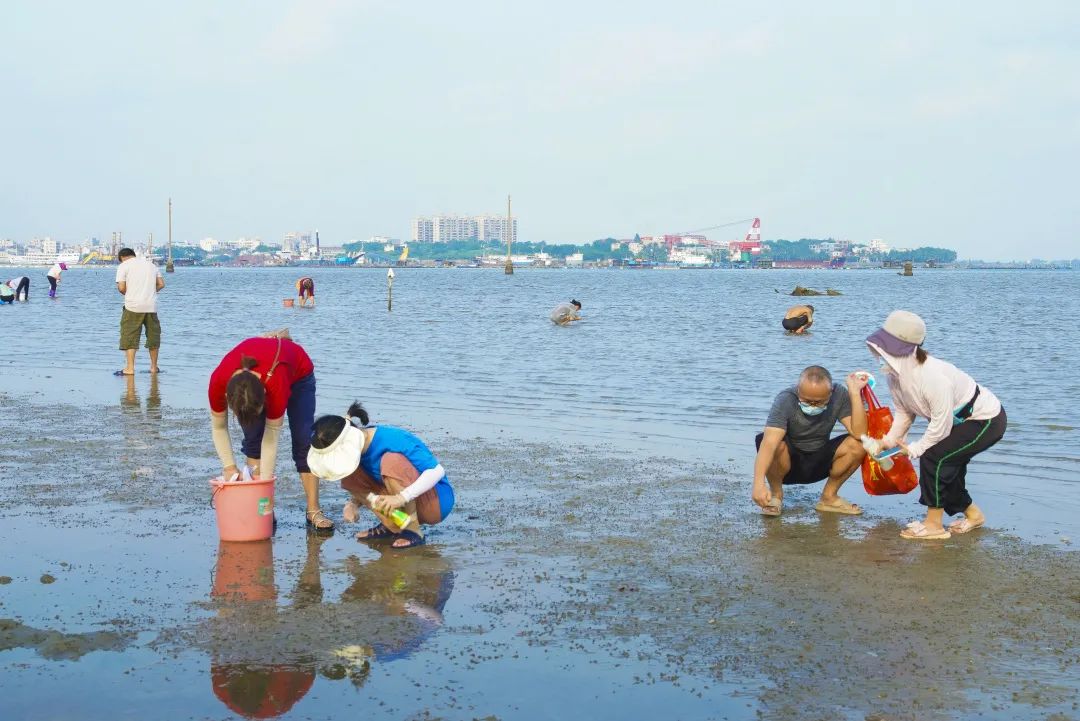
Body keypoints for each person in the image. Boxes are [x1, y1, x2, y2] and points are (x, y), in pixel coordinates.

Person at [867, 310, 1006, 540]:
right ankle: (974, 515)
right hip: (956, 421)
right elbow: (904, 412)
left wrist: (914, 449)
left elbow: (941, 425)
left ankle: (934, 525)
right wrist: (888, 441)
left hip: (985, 420)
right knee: (948, 468)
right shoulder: (893, 375)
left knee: (935, 458)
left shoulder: (931, 377)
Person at [208, 330, 332, 531]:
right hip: (265, 365)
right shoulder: (218, 382)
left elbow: (271, 439)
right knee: (253, 441)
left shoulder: (275, 385)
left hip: (298, 373)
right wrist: (229, 466)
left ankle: (313, 510)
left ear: (265, 397)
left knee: (302, 443)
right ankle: (263, 509)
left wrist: (265, 483)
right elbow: (218, 427)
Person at [307, 402, 454, 549]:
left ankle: (413, 530)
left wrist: (401, 498)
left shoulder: (393, 439)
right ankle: (392, 525)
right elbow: (365, 484)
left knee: (391, 461)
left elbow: (437, 471)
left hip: (434, 502)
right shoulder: (357, 452)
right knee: (350, 476)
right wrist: (353, 503)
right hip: (401, 505)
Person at [752, 365, 869, 516]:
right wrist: (758, 484)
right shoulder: (785, 399)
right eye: (807, 401)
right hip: (787, 465)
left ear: (830, 393)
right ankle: (776, 496)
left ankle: (829, 497)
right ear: (798, 390)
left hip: (819, 462)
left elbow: (859, 433)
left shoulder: (838, 395)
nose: (812, 406)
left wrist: (854, 393)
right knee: (768, 440)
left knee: (859, 444)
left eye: (819, 402)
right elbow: (768, 444)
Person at [115, 248, 164, 375]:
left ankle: (130, 369)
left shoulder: (123, 266)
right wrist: (149, 292)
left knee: (130, 336)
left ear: (122, 258)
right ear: (133, 255)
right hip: (151, 307)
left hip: (132, 307)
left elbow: (121, 287)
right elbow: (161, 284)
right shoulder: (151, 265)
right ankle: (154, 367)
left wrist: (131, 293)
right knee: (153, 336)